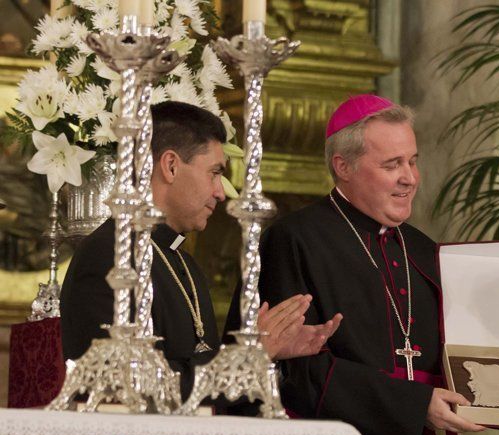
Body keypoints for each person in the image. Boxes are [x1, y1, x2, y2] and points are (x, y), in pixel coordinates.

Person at [233, 94, 484, 435]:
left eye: (413, 161)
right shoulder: (293, 242)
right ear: (343, 167)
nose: (410, 178)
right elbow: (291, 370)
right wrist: (412, 404)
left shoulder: (426, 252)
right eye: (392, 164)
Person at [60, 101, 339, 401]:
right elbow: (123, 386)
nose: (221, 192)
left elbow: (204, 384)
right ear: (170, 166)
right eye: (215, 173)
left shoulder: (183, 263)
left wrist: (268, 357)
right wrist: (248, 356)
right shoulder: (110, 255)